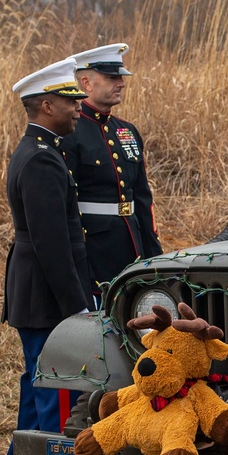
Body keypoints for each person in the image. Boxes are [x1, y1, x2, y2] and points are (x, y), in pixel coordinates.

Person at [0, 58, 92, 455]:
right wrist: (77, 309)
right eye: (70, 102)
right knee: (56, 399)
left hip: (37, 294)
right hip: (45, 298)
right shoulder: (39, 159)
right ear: (46, 104)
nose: (78, 109)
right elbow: (54, 246)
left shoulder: (43, 151)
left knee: (37, 395)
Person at [61, 43, 162, 297]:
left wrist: (154, 255)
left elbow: (142, 197)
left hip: (131, 242)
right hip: (94, 248)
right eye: (111, 78)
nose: (121, 83)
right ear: (86, 83)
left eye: (121, 77)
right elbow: (65, 202)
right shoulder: (70, 132)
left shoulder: (125, 130)